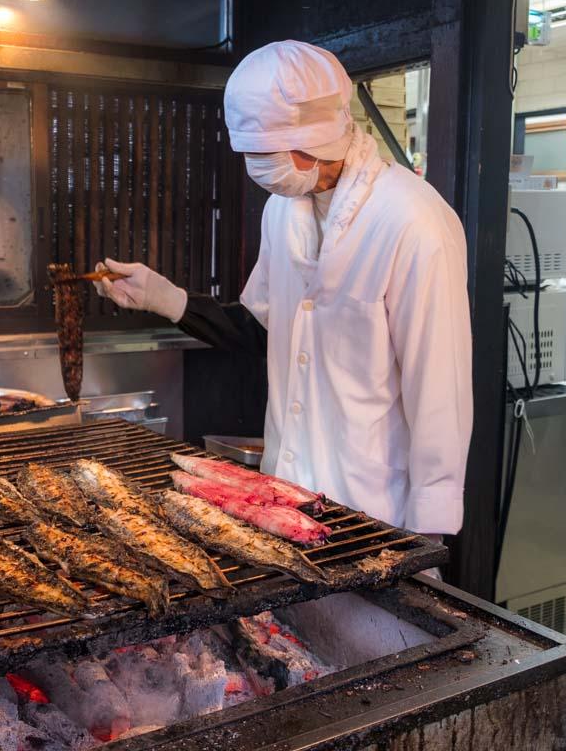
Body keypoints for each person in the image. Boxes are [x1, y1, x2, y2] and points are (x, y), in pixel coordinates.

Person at [95, 40, 472, 542]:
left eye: (263, 152)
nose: (255, 166)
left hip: (374, 507)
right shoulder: (285, 208)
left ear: (313, 139)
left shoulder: (413, 221)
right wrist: (163, 297)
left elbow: (438, 392)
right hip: (285, 494)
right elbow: (262, 325)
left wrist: (428, 533)